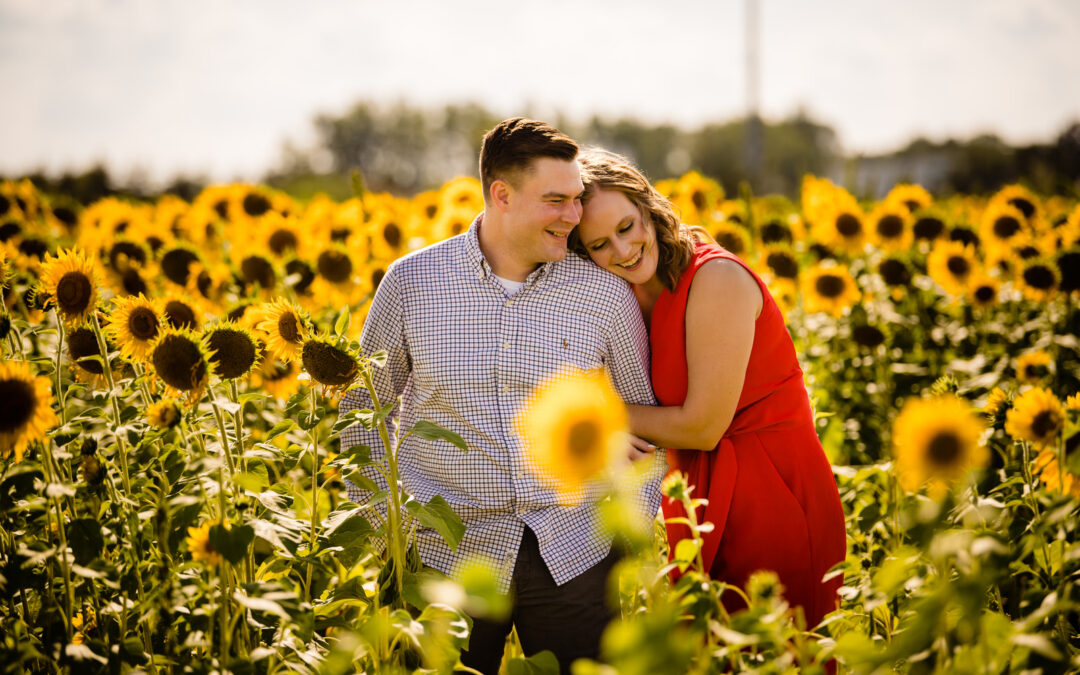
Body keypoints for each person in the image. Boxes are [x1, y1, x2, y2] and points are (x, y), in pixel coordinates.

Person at [341, 120, 666, 674]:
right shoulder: (412, 283)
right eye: (556, 200)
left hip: (573, 551)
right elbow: (361, 412)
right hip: (444, 554)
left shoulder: (604, 295)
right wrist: (387, 531)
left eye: (577, 200)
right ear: (502, 195)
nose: (574, 215)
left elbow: (646, 423)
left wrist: (625, 531)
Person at [572, 149, 847, 629]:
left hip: (771, 489)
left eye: (627, 226)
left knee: (774, 649)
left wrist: (598, 414)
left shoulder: (715, 277)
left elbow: (702, 425)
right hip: (696, 493)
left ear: (648, 207)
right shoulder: (624, 293)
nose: (622, 250)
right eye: (598, 245)